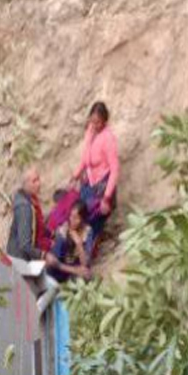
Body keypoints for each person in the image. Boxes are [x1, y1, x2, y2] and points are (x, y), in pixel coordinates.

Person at [69, 101, 119, 258]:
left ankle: (87, 261)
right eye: (92, 121)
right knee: (80, 220)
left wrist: (106, 198)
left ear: (105, 121)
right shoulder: (90, 131)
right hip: (88, 184)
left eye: (98, 122)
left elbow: (115, 169)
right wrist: (76, 174)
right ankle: (79, 257)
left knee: (91, 227)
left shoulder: (108, 139)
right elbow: (85, 158)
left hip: (101, 189)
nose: (94, 124)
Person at [6, 167, 50, 262]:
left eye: (38, 179)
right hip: (21, 260)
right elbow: (24, 245)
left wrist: (50, 233)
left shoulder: (31, 198)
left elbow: (38, 224)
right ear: (25, 184)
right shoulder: (24, 208)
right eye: (34, 181)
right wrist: (43, 255)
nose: (39, 183)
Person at [46, 201, 92, 283]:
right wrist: (74, 270)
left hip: (76, 267)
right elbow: (54, 262)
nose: (72, 220)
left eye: (76, 218)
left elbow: (85, 263)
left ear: (83, 219)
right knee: (49, 271)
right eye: (71, 216)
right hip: (62, 268)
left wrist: (79, 244)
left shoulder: (87, 231)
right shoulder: (63, 231)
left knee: (87, 275)